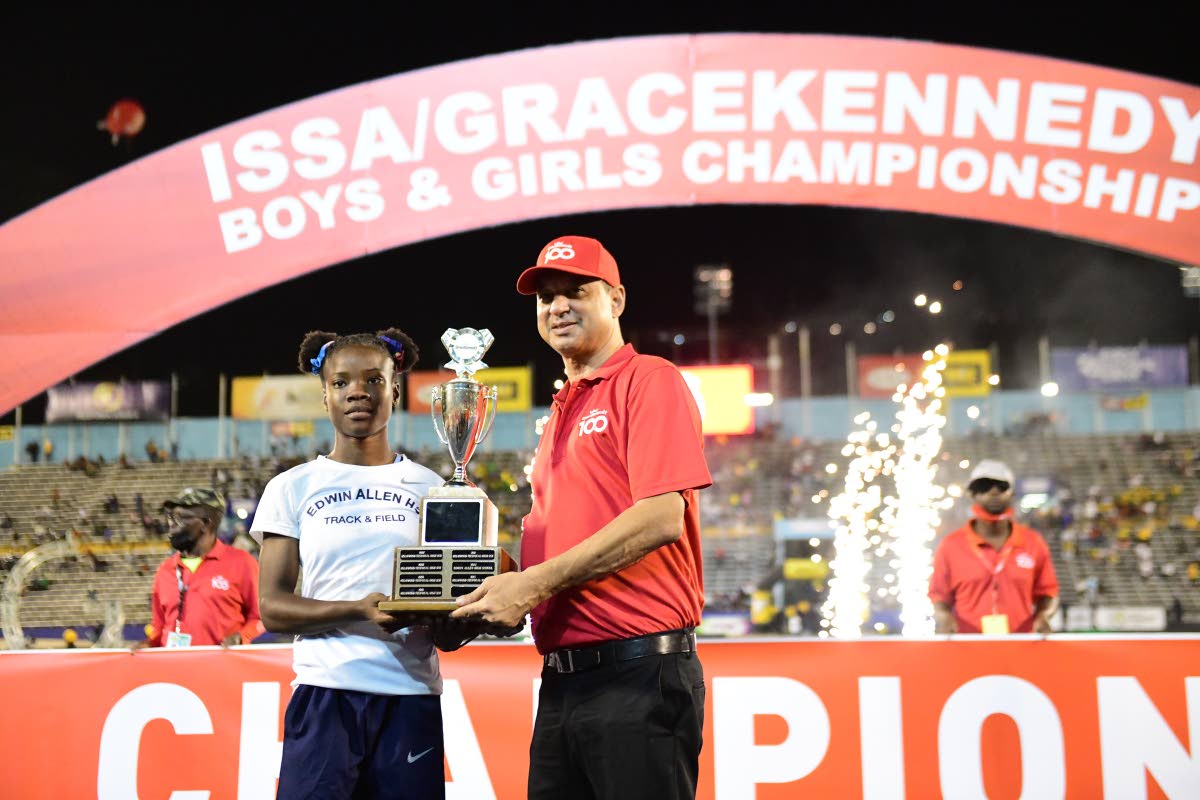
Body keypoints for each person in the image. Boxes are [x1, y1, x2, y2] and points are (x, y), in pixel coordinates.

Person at [453, 235, 712, 799]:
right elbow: (562, 539)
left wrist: (531, 585)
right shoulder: (562, 408)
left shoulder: (649, 379)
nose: (558, 306)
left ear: (616, 300)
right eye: (546, 297)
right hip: (564, 681)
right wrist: (482, 586)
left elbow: (661, 517)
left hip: (638, 674)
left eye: (577, 291)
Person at [254, 328, 488, 800]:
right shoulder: (292, 487)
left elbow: (447, 611)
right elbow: (273, 609)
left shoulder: (432, 488)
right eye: (341, 382)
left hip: (409, 698)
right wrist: (358, 609)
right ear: (325, 396)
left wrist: (457, 622)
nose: (357, 392)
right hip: (325, 694)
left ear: (395, 391)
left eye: (373, 380)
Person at [930, 460, 1060, 634]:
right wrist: (944, 617)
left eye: (1001, 486)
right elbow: (938, 596)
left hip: (1019, 643)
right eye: (984, 486)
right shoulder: (951, 546)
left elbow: (1048, 592)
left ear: (1012, 493)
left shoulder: (1033, 543)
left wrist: (1043, 616)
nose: (993, 492)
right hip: (968, 643)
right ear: (972, 494)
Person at [145, 487, 263, 647]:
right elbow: (158, 627)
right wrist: (148, 645)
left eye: (181, 517)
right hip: (173, 662)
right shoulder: (165, 570)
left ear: (207, 523)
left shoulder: (242, 563)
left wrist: (241, 636)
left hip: (222, 662)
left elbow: (259, 617)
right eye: (170, 517)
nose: (172, 524)